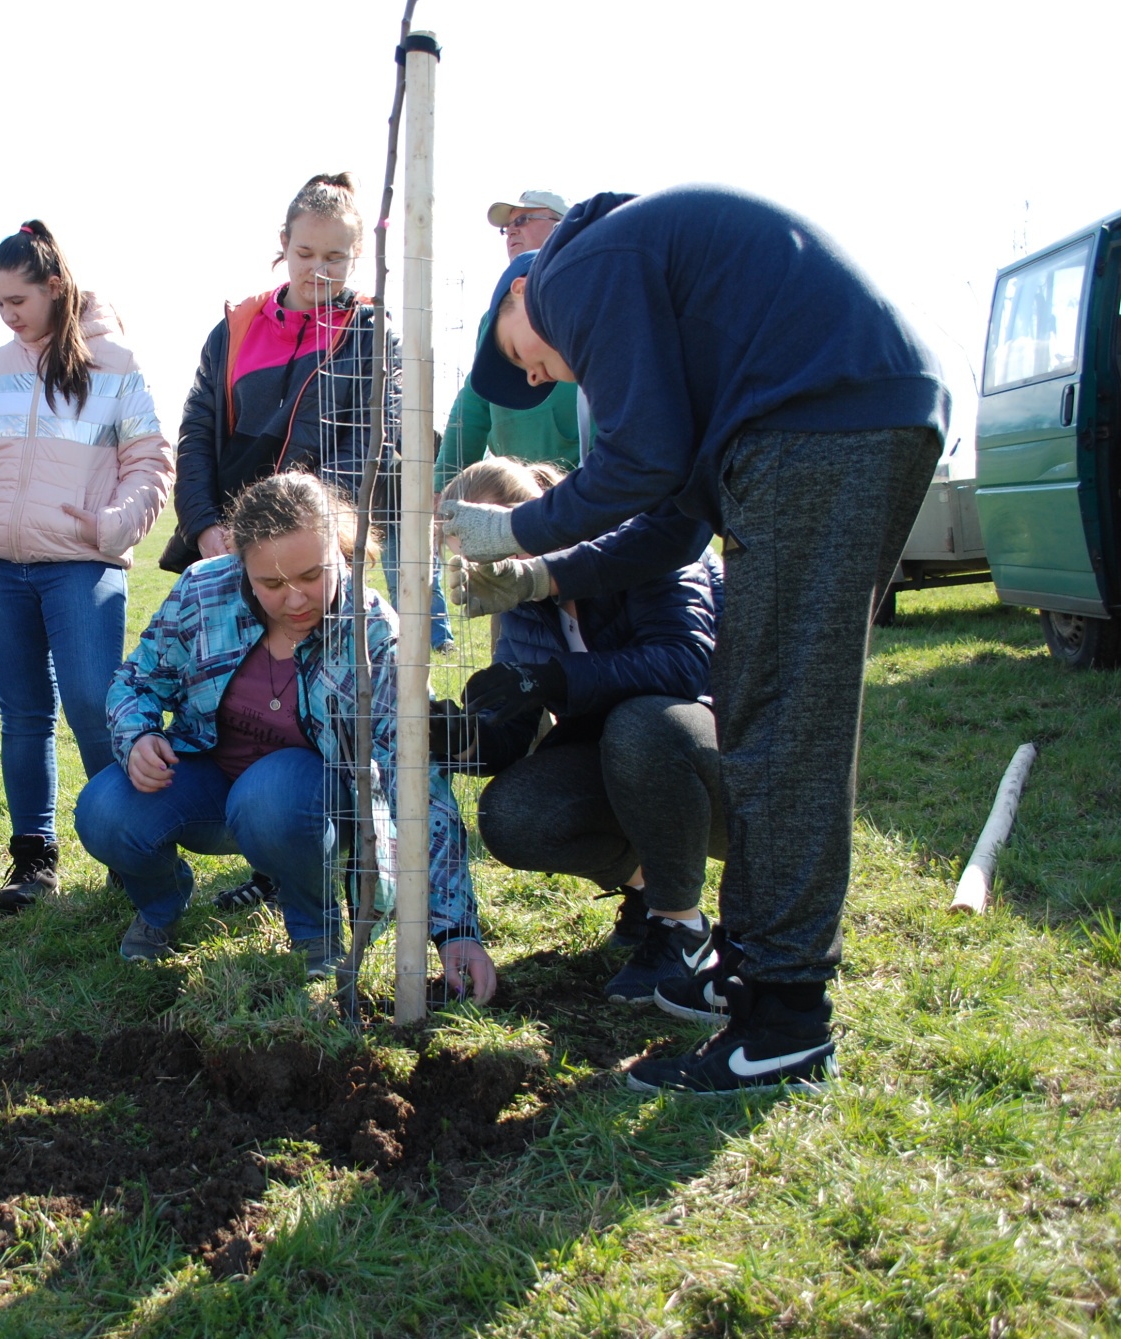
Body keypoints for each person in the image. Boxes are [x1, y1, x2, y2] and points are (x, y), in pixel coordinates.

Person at [443, 185, 948, 1093]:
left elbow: (634, 467)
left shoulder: (574, 273)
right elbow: (670, 524)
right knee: (772, 709)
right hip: (838, 417)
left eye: (519, 358)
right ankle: (758, 977)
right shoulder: (654, 296)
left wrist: (514, 534)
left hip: (825, 423)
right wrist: (542, 577)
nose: (534, 376)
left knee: (784, 715)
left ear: (520, 295)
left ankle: (786, 1018)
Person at [80, 471, 495, 995]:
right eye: (272, 584)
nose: (296, 600)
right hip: (209, 788)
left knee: (270, 793)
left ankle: (315, 929)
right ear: (241, 567)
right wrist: (137, 736)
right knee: (103, 809)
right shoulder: (203, 590)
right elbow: (135, 680)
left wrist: (454, 929)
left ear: (338, 549)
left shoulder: (373, 634)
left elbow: (417, 782)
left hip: (307, 808)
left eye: (312, 575)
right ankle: (161, 905)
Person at [0, 221, 172, 913]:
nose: (7, 315)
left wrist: (113, 523)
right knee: (25, 716)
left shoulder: (117, 365)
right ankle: (33, 859)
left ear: (56, 288)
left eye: (18, 300)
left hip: (81, 569)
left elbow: (151, 463)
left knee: (96, 706)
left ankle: (128, 843)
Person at [439, 457, 725, 1006]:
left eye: (488, 540)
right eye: (464, 553)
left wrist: (552, 677)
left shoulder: (644, 541)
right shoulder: (520, 598)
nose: (480, 565)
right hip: (629, 766)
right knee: (514, 814)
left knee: (641, 723)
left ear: (542, 519)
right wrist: (459, 736)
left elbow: (686, 664)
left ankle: (681, 928)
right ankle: (648, 892)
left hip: (724, 764)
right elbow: (514, 733)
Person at [165, 173, 452, 651]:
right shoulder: (233, 330)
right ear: (284, 242)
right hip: (224, 552)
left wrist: (293, 539)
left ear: (357, 255)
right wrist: (205, 526)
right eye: (305, 254)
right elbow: (196, 434)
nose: (319, 269)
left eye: (335, 257)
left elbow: (370, 445)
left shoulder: (374, 339)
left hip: (313, 563)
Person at [435, 193, 583, 489]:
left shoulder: (590, 305)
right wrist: (443, 485)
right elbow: (474, 402)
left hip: (578, 491)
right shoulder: (495, 318)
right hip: (511, 493)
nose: (511, 230)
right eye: (508, 226)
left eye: (524, 219)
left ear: (562, 226)